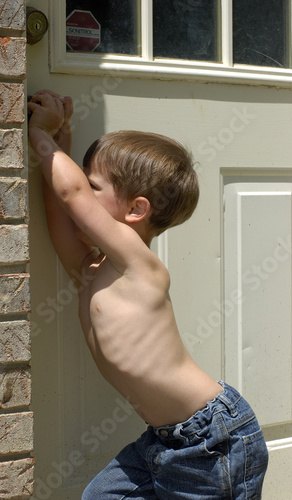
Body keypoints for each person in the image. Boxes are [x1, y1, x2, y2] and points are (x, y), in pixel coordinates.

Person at [28, 90, 268, 499]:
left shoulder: (142, 268)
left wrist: (40, 134)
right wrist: (62, 140)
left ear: (136, 210)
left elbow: (72, 195)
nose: (82, 193)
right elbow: (60, 210)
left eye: (93, 186)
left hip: (212, 441)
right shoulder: (91, 272)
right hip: (165, 439)